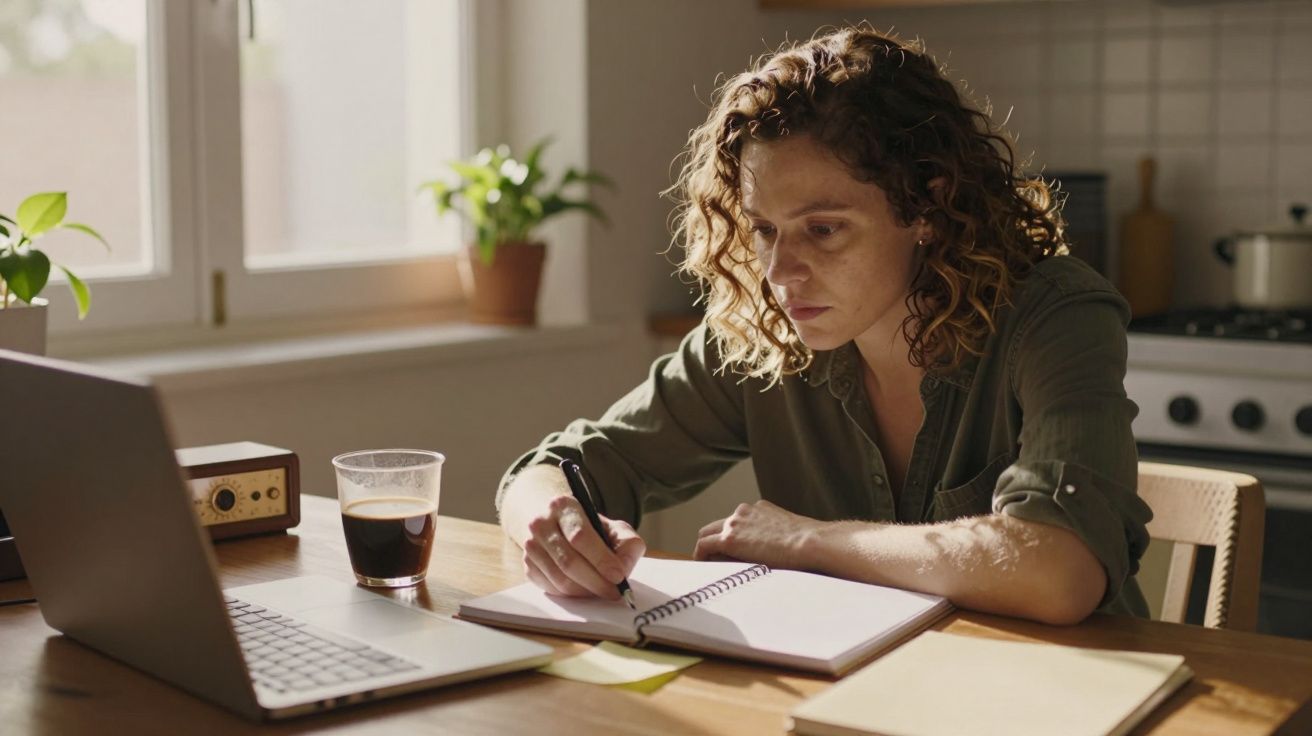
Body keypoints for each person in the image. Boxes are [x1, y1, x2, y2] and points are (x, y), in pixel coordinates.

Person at [496, 24, 1152, 626]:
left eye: (823, 229)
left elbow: (1059, 569)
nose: (781, 271)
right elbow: (554, 466)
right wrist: (551, 525)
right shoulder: (764, 334)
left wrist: (807, 541)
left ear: (929, 204)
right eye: (763, 230)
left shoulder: (1055, 314)